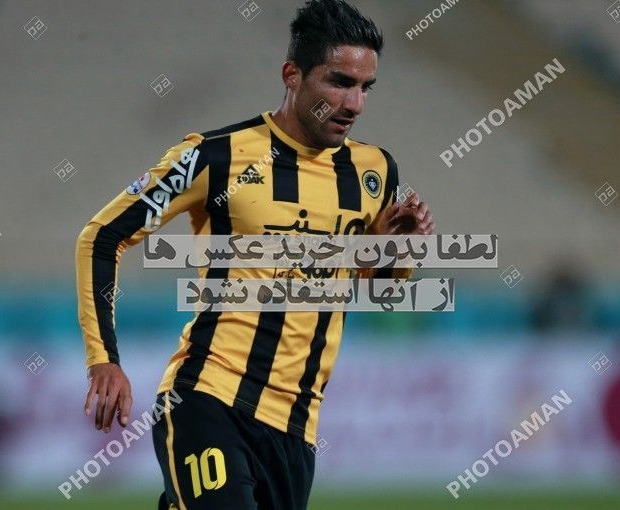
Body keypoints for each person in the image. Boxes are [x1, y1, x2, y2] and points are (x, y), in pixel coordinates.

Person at [75, 1, 434, 508]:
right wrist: (103, 361)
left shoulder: (375, 171)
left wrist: (399, 251)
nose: (354, 103)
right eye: (339, 82)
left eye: (365, 87)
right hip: (208, 398)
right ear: (292, 75)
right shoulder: (215, 156)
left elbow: (377, 289)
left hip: (296, 429)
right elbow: (102, 236)